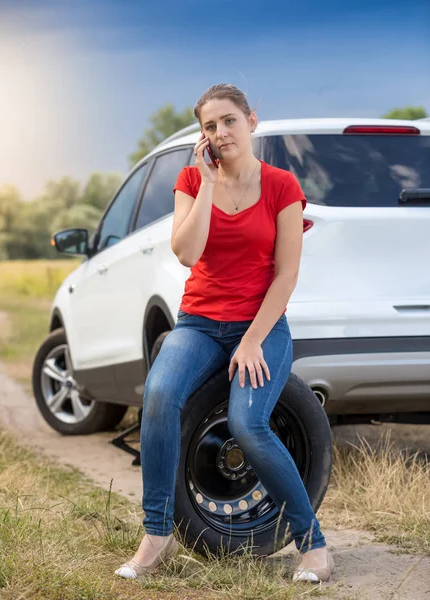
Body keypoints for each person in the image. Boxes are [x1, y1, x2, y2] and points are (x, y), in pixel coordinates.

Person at [115, 83, 335, 584]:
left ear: (251, 121)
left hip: (261, 326)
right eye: (210, 126)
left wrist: (253, 340)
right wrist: (209, 185)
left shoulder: (281, 185)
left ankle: (312, 544)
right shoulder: (193, 179)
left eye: (229, 121)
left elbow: (286, 275)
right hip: (198, 324)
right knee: (159, 395)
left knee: (248, 423)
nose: (220, 133)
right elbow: (187, 253)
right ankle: (158, 536)